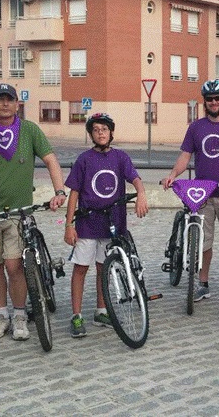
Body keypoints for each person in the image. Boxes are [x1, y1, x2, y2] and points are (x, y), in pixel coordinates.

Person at [0, 83, 67, 341]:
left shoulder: (29, 130)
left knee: (14, 266)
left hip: (18, 213)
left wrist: (59, 191)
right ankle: (2, 315)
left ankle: (20, 314)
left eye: (9, 99)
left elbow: (50, 160)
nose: (4, 104)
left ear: (16, 103)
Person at [162, 80, 219, 310]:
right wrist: (173, 174)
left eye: (218, 98)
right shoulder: (196, 128)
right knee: (203, 243)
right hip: (202, 194)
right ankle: (203, 283)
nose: (214, 102)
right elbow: (185, 156)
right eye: (210, 99)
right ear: (205, 101)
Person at [63, 113, 148, 338]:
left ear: (111, 133)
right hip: (88, 222)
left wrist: (141, 193)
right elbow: (74, 192)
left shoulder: (121, 158)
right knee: (81, 267)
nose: (101, 133)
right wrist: (69, 224)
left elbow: (135, 178)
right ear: (91, 134)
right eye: (96, 130)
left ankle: (102, 310)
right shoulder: (84, 159)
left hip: (112, 222)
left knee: (104, 267)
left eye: (104, 129)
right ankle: (76, 315)